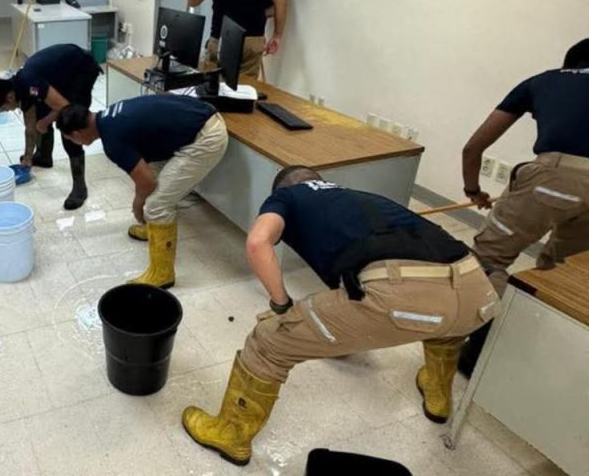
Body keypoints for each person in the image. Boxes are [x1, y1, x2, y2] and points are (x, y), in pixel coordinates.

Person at [181, 166, 500, 466]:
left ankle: (231, 434)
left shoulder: (287, 196)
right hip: (478, 293)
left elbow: (257, 242)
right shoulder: (362, 198)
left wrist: (281, 305)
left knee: (269, 341)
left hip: (404, 298)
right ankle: (437, 397)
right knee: (446, 326)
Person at [457, 38, 589, 373]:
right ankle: (529, 358)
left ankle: (474, 358)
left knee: (489, 260)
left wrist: (474, 191)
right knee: (563, 270)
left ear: (569, 64)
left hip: (556, 178)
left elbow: (473, 148)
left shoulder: (544, 80)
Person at [58, 96, 228, 287]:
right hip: (199, 118)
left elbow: (147, 182)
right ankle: (153, 229)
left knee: (156, 205)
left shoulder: (112, 140)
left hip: (206, 137)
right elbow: (144, 172)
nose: (75, 143)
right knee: (153, 181)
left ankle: (162, 274)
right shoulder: (108, 116)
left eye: (70, 139)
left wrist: (138, 204)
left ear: (77, 134)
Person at [0, 43, 102, 210]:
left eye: (3, 108)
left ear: (9, 98)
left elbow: (65, 108)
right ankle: (44, 156)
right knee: (41, 112)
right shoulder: (21, 90)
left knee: (69, 124)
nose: (6, 111)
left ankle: (79, 188)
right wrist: (27, 158)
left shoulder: (30, 83)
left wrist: (45, 122)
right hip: (61, 74)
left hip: (81, 68)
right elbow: (30, 127)